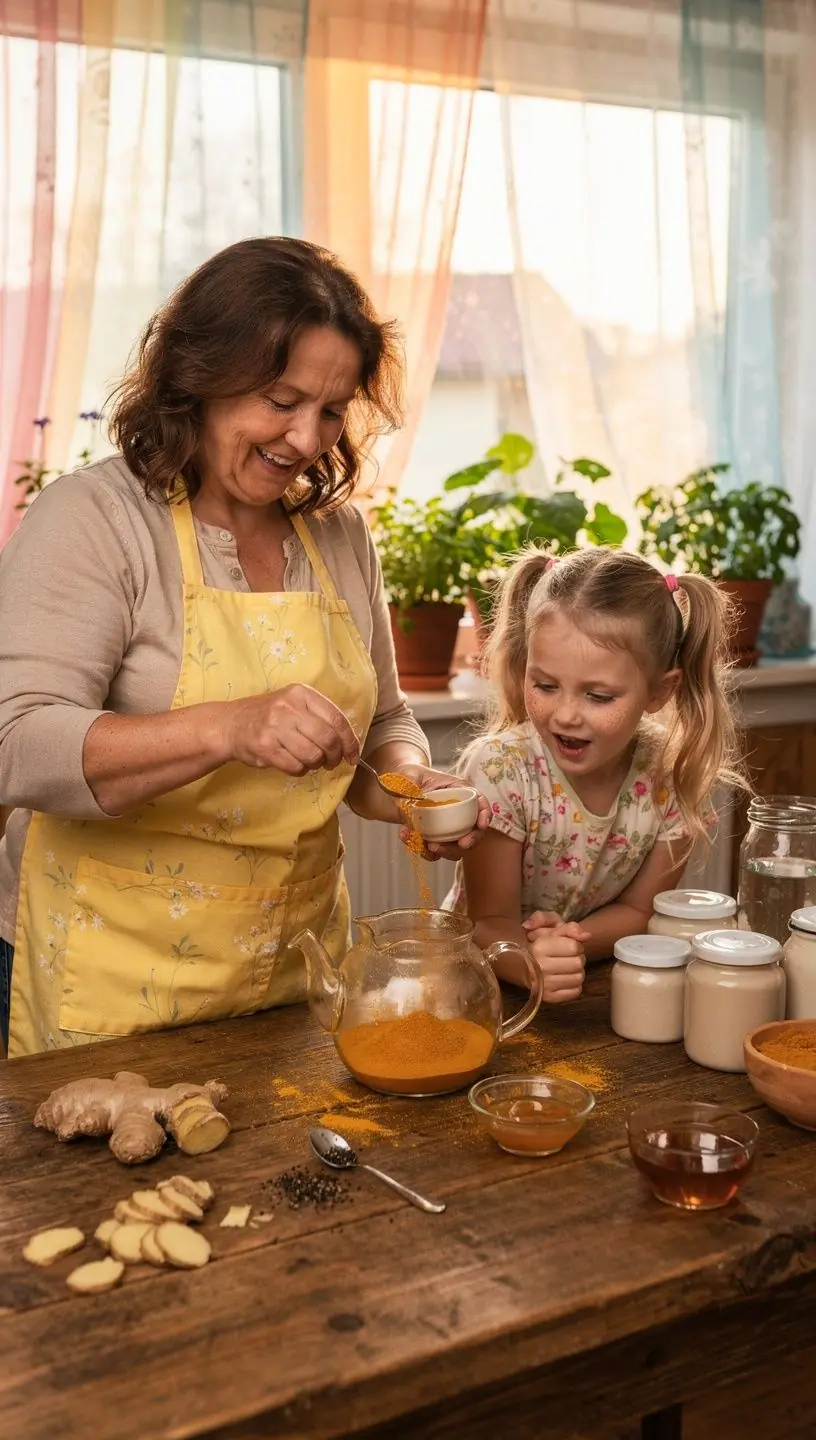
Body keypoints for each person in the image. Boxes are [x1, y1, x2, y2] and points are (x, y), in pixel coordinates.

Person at [0, 237, 487, 1058]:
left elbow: (385, 723)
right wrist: (229, 727)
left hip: (294, 976)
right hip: (105, 985)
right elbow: (16, 746)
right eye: (280, 399)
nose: (305, 439)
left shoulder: (338, 536)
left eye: (330, 410)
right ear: (198, 375)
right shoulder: (95, 520)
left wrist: (410, 790)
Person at [445, 546, 742, 1002]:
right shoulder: (501, 770)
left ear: (661, 691)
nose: (566, 715)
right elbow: (486, 922)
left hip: (590, 986)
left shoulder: (672, 774)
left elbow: (642, 910)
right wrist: (532, 962)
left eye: (598, 697)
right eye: (545, 685)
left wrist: (566, 943)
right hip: (476, 989)